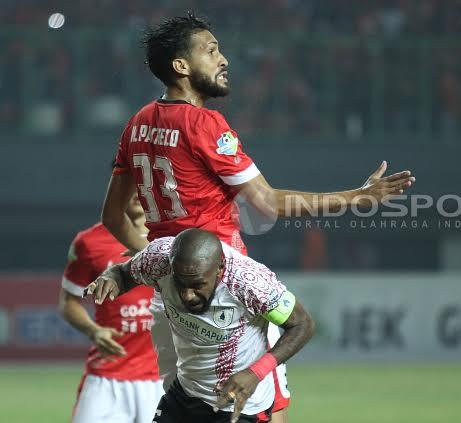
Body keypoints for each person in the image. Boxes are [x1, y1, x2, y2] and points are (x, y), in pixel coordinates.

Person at [101, 12, 415, 422]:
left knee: (192, 406)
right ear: (181, 66)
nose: (223, 58)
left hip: (169, 301)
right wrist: (357, 197)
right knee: (260, 406)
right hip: (225, 291)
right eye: (210, 51)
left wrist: (161, 265)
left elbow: (113, 215)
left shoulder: (138, 123)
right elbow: (267, 202)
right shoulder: (204, 124)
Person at [85, 229, 315, 423]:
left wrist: (255, 373)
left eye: (197, 285)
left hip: (238, 407)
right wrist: (111, 279)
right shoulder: (159, 259)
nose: (187, 295)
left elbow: (302, 324)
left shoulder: (250, 282)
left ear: (220, 268)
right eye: (180, 283)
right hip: (185, 394)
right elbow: (124, 273)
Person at [59, 193, 162, 422]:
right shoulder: (90, 242)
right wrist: (94, 331)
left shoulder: (173, 239)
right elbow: (68, 302)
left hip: (164, 377)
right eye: (128, 184)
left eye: (140, 182)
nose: (135, 191)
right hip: (108, 375)